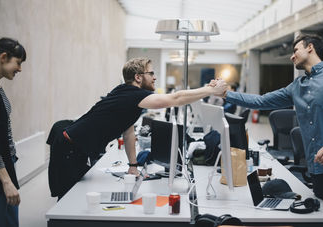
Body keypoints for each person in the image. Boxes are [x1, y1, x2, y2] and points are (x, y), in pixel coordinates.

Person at [218, 34, 323, 227]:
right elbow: (261, 101)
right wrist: (226, 94)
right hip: (317, 169)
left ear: (310, 48)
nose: (292, 56)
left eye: (295, 50)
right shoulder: (297, 86)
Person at [50, 57, 227, 199]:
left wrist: (133, 166)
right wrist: (210, 90)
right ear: (138, 77)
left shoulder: (126, 93)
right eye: (151, 73)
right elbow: (175, 99)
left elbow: (128, 134)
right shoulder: (133, 96)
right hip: (69, 148)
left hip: (74, 147)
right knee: (68, 201)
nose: (155, 77)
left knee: (76, 198)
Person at [0, 37, 26, 227]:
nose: (19, 69)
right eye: (18, 63)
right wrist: (6, 181)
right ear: (3, 57)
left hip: (6, 165)